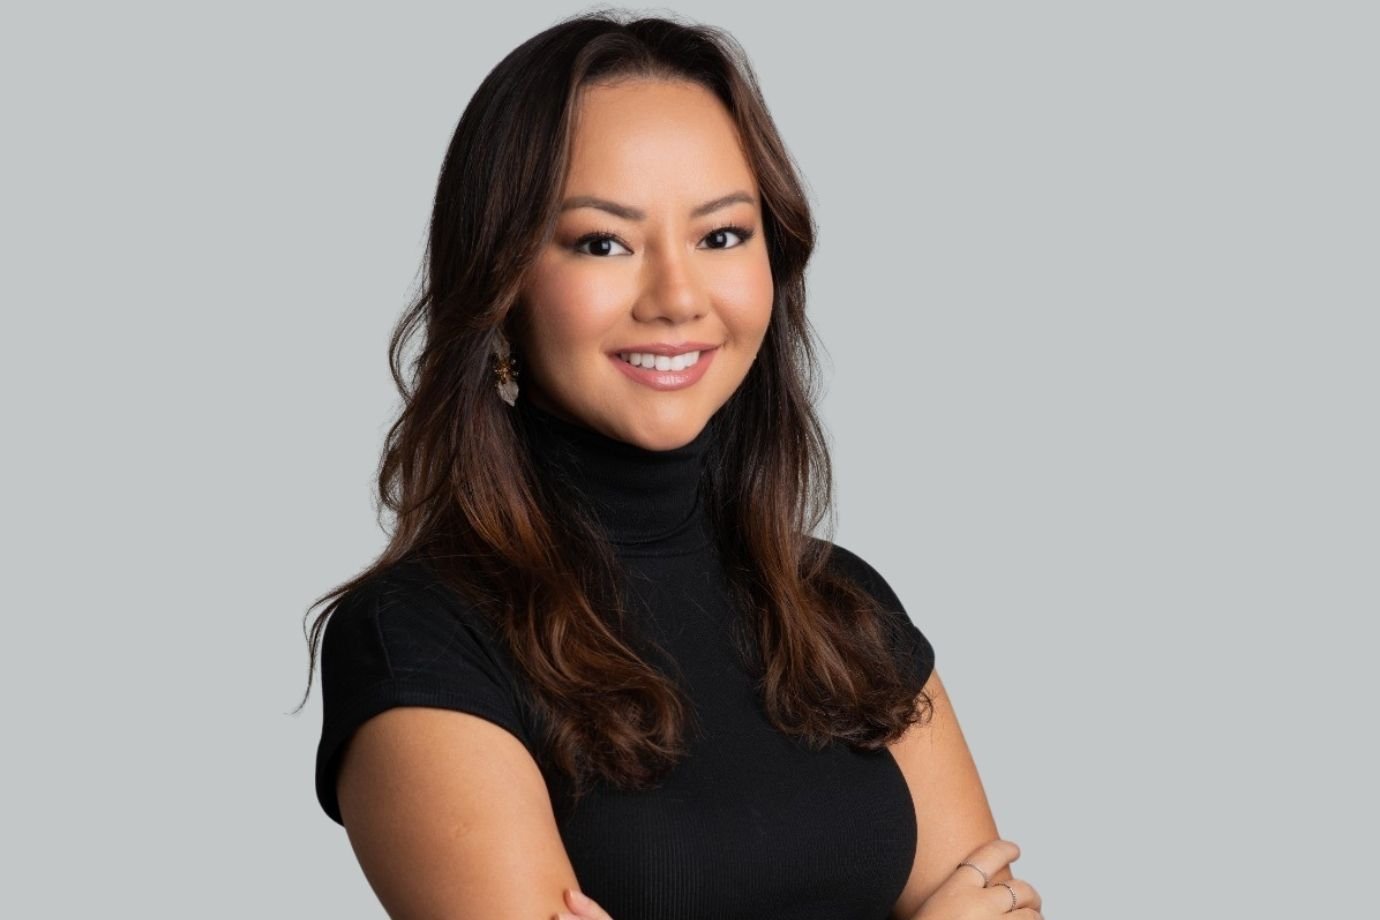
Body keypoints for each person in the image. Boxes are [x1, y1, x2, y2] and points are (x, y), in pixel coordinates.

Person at [299, 11, 1044, 920]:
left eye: (721, 235)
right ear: (501, 281)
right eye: (602, 242)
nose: (677, 297)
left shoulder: (842, 609)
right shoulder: (419, 639)